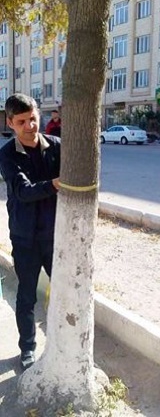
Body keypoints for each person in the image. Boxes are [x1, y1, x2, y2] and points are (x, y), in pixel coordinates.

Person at [0, 94, 60, 370]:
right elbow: (23, 192)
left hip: (56, 237)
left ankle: (62, 345)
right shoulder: (7, 154)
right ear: (10, 122)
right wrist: (57, 184)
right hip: (24, 238)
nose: (30, 126)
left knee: (62, 291)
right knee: (27, 296)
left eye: (33, 119)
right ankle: (27, 348)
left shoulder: (58, 147)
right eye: (22, 121)